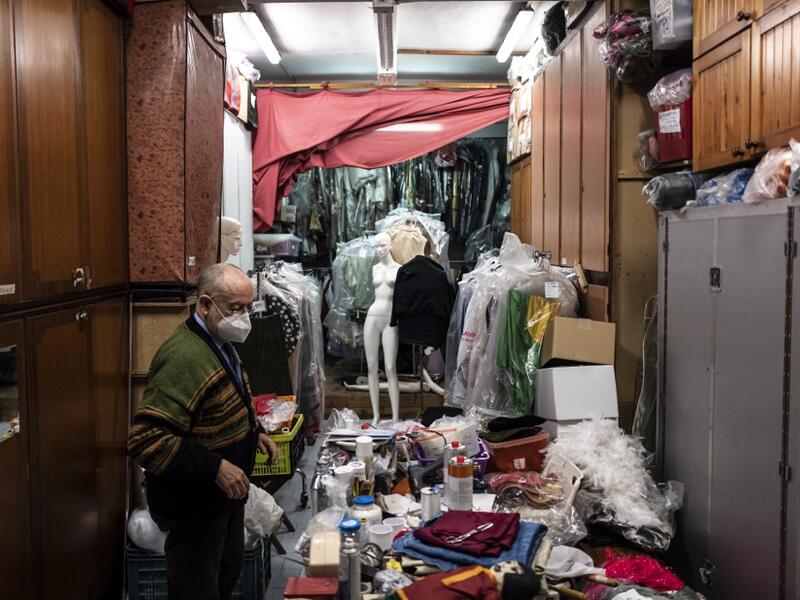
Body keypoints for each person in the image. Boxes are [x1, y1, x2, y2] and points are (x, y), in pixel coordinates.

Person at [128, 263, 278, 600]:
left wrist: (255, 433)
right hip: (193, 506)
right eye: (235, 308)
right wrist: (215, 467)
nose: (244, 317)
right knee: (196, 589)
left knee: (224, 577)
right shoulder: (184, 356)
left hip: (222, 501)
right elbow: (146, 438)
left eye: (248, 308)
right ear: (205, 304)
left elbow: (227, 397)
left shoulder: (217, 341)